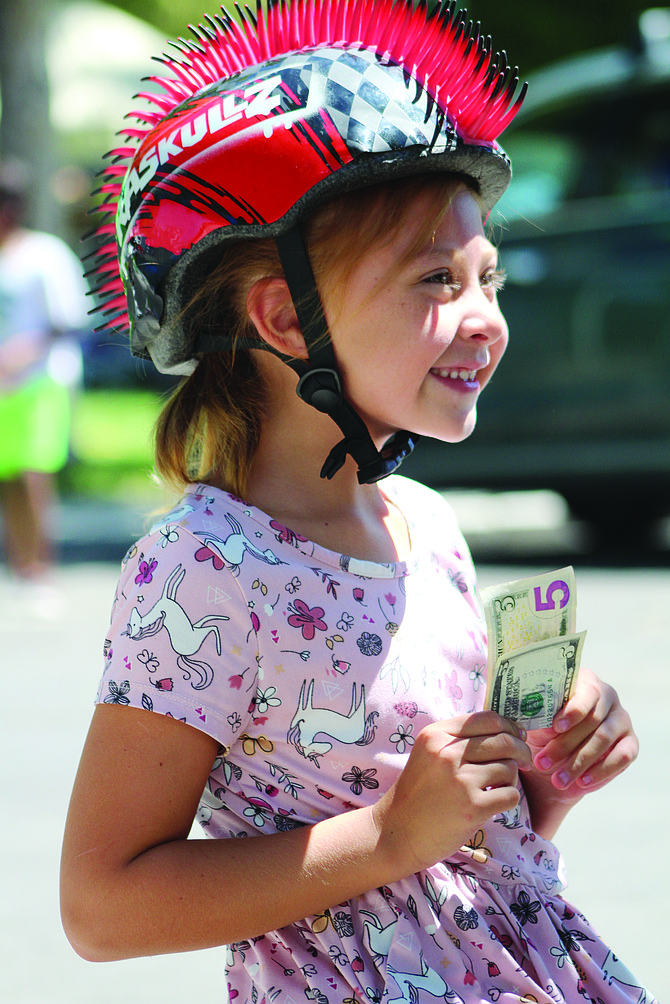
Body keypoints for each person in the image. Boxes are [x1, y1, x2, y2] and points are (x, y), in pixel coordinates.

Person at [60, 3, 654, 1002]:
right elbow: (101, 904)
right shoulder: (206, 568)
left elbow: (458, 857)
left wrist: (536, 778)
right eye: (436, 278)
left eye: (487, 277)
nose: (486, 320)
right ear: (287, 315)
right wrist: (386, 833)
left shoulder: (426, 526)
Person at [0, 160, 87, 596]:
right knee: (8, 474)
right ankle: (21, 565)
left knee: (35, 470)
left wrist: (21, 354)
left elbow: (68, 321)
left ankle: (41, 567)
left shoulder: (45, 254)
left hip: (43, 379)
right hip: (5, 388)